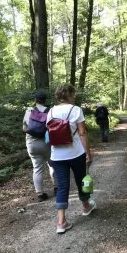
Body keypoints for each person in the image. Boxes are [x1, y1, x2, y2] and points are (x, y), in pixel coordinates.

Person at [46, 84, 95, 234]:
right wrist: (88, 152)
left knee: (62, 186)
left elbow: (49, 134)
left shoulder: (51, 111)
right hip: (75, 153)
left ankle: (61, 222)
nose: (74, 97)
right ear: (69, 95)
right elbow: (81, 133)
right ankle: (86, 206)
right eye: (73, 94)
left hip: (57, 155)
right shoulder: (76, 110)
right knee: (81, 179)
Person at [22, 91, 57, 202]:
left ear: (35, 100)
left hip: (32, 144)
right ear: (45, 100)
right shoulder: (50, 111)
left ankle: (40, 194)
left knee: (37, 168)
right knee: (52, 165)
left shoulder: (29, 111)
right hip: (46, 143)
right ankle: (57, 187)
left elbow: (24, 128)